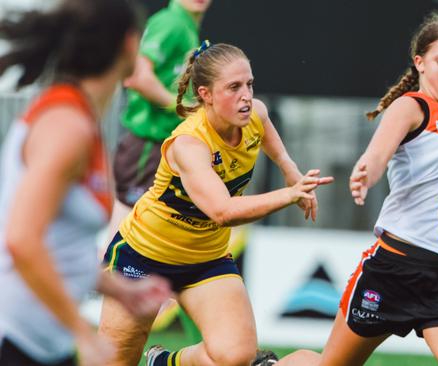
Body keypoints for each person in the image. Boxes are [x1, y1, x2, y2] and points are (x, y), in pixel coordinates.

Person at [276, 11, 438, 366]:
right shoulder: (410, 106)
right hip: (394, 269)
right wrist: (368, 170)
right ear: (420, 63)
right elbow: (381, 150)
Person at [98, 41, 333, 366]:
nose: (246, 96)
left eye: (249, 84)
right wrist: (289, 194)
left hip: (205, 260)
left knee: (237, 356)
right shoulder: (190, 144)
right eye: (234, 87)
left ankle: (164, 362)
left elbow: (268, 134)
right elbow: (221, 212)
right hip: (145, 255)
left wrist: (289, 169)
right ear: (205, 94)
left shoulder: (256, 115)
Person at [0, 1, 171, 366]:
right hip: (13, 340)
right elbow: (21, 241)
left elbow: (60, 247)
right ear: (129, 44)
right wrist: (81, 331)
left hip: (43, 345)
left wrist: (122, 289)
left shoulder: (80, 118)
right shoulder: (67, 125)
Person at [107, 0, 213, 249]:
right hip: (147, 142)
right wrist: (185, 110)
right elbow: (137, 77)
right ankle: (104, 284)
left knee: (143, 229)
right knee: (125, 229)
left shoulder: (186, 26)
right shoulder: (171, 23)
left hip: (161, 144)